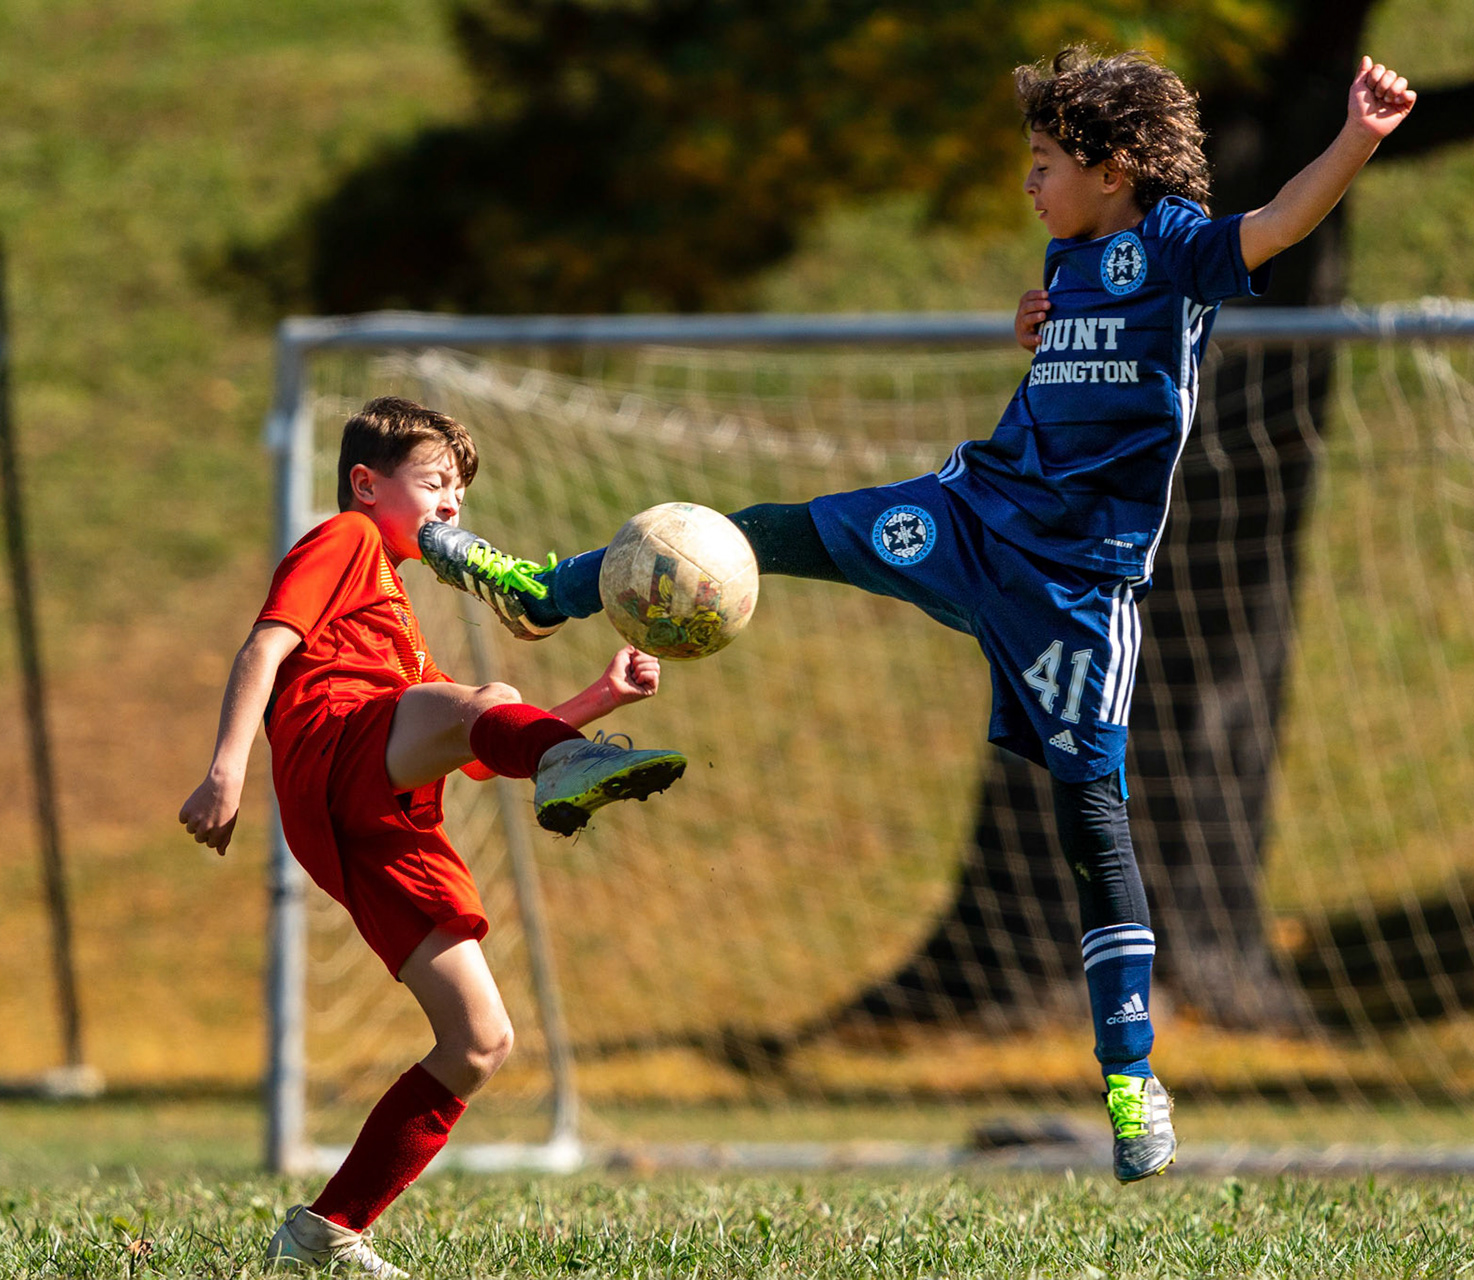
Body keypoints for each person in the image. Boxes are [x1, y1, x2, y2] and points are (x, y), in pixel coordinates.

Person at [416, 50, 1417, 1182]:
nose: (1029, 185)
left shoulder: (1180, 245)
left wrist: (1360, 137)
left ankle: (1130, 1069)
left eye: (1044, 164)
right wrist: (1038, 318)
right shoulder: (1070, 251)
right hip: (970, 510)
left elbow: (1283, 220)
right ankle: (549, 590)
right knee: (761, 530)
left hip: (1078, 587)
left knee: (1092, 819)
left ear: (1116, 167)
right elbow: (1062, 336)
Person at [179, 396, 684, 1276]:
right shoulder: (344, 539)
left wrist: (599, 700)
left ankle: (323, 1233)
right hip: (335, 746)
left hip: (379, 819)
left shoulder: (402, 626)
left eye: (459, 491)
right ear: (367, 484)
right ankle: (567, 764)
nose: (452, 505)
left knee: (479, 1042)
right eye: (435, 483)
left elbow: (481, 757)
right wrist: (226, 768)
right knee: (484, 703)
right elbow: (264, 648)